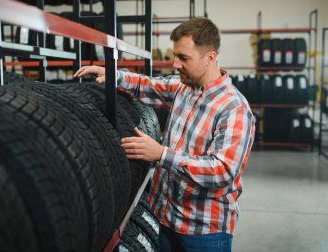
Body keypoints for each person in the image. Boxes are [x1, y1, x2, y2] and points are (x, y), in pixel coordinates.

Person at [74, 17, 255, 252]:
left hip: (203, 231)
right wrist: (113, 74)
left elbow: (223, 172)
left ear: (210, 58)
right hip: (167, 219)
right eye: (175, 56)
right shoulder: (185, 88)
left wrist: (161, 154)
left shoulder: (234, 109)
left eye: (183, 58)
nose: (175, 64)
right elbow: (148, 85)